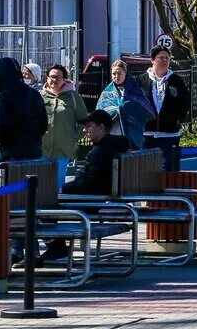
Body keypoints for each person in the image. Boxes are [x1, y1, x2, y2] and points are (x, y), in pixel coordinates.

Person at [43, 108, 131, 261]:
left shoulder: (100, 152)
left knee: (42, 206)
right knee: (48, 201)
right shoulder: (112, 147)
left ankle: (56, 247)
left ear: (101, 127)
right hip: (97, 197)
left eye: (89, 126)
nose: (85, 130)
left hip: (90, 200)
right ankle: (57, 247)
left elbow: (89, 184)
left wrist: (62, 189)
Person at [137, 46, 191, 170]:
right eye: (161, 57)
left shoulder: (176, 80)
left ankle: (169, 190)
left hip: (169, 135)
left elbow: (184, 103)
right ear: (152, 60)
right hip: (147, 135)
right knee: (146, 170)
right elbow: (136, 103)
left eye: (167, 58)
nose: (165, 60)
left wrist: (176, 120)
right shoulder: (141, 80)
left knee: (169, 170)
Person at [0, 57, 47, 168]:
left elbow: (0, 123)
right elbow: (44, 124)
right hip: (34, 151)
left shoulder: (6, 96)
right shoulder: (34, 94)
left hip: (12, 153)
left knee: (5, 181)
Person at [41, 63, 89, 187]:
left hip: (62, 150)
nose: (54, 80)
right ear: (47, 78)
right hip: (42, 148)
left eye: (58, 77)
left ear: (64, 80)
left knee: (57, 183)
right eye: (51, 76)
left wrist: (73, 138)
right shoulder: (39, 96)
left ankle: (55, 206)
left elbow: (84, 121)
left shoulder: (73, 97)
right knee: (40, 183)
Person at [97, 60, 154, 150]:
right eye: (114, 74)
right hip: (112, 135)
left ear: (125, 74)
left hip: (131, 136)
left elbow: (146, 110)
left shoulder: (135, 91)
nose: (116, 76)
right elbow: (99, 113)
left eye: (119, 73)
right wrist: (114, 111)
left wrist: (126, 109)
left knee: (129, 162)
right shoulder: (107, 92)